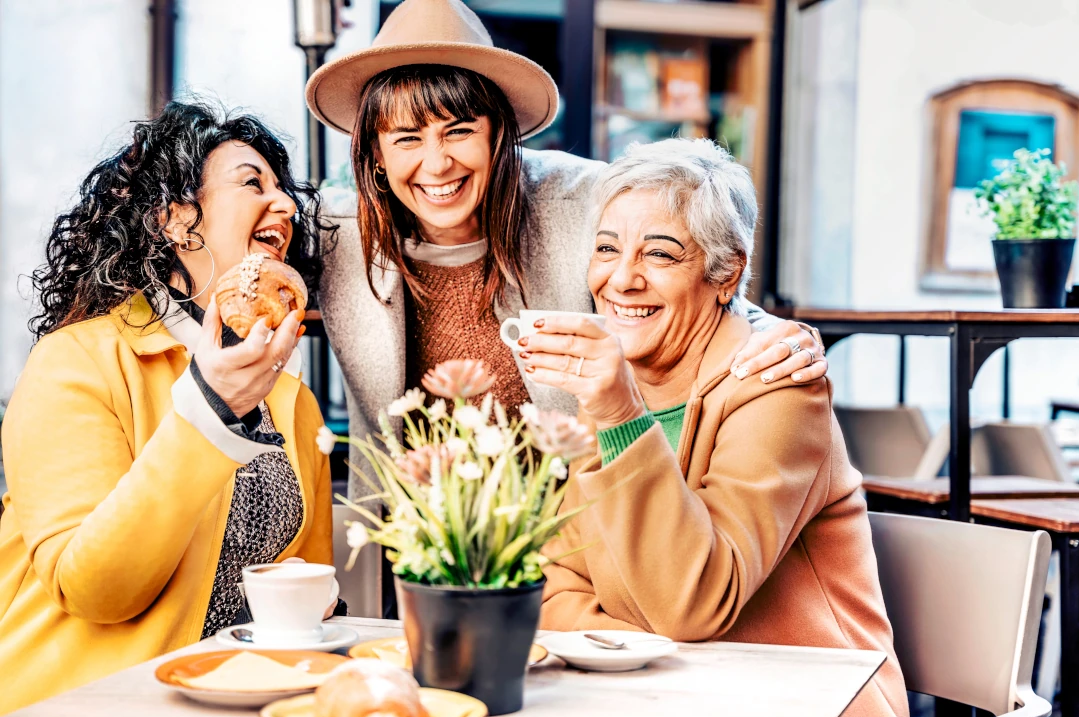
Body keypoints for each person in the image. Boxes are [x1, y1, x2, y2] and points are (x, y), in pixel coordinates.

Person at [304, 0, 828, 507]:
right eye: (407, 139)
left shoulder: (581, 197)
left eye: (460, 131)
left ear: (499, 137)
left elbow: (690, 268)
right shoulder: (338, 231)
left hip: (569, 536)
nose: (437, 164)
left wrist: (775, 334)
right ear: (374, 151)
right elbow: (236, 246)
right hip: (405, 544)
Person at [534, 138, 908, 717]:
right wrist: (645, 647)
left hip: (807, 701)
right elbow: (557, 588)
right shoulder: (614, 389)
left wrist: (619, 418)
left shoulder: (778, 384)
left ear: (725, 273)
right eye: (607, 249)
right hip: (667, 696)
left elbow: (691, 605)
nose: (622, 279)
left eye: (659, 255)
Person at [0, 101, 337, 714]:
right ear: (179, 222)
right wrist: (210, 412)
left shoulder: (292, 400)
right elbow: (95, 588)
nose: (286, 205)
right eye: (252, 182)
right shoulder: (76, 361)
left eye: (284, 188)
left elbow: (307, 600)